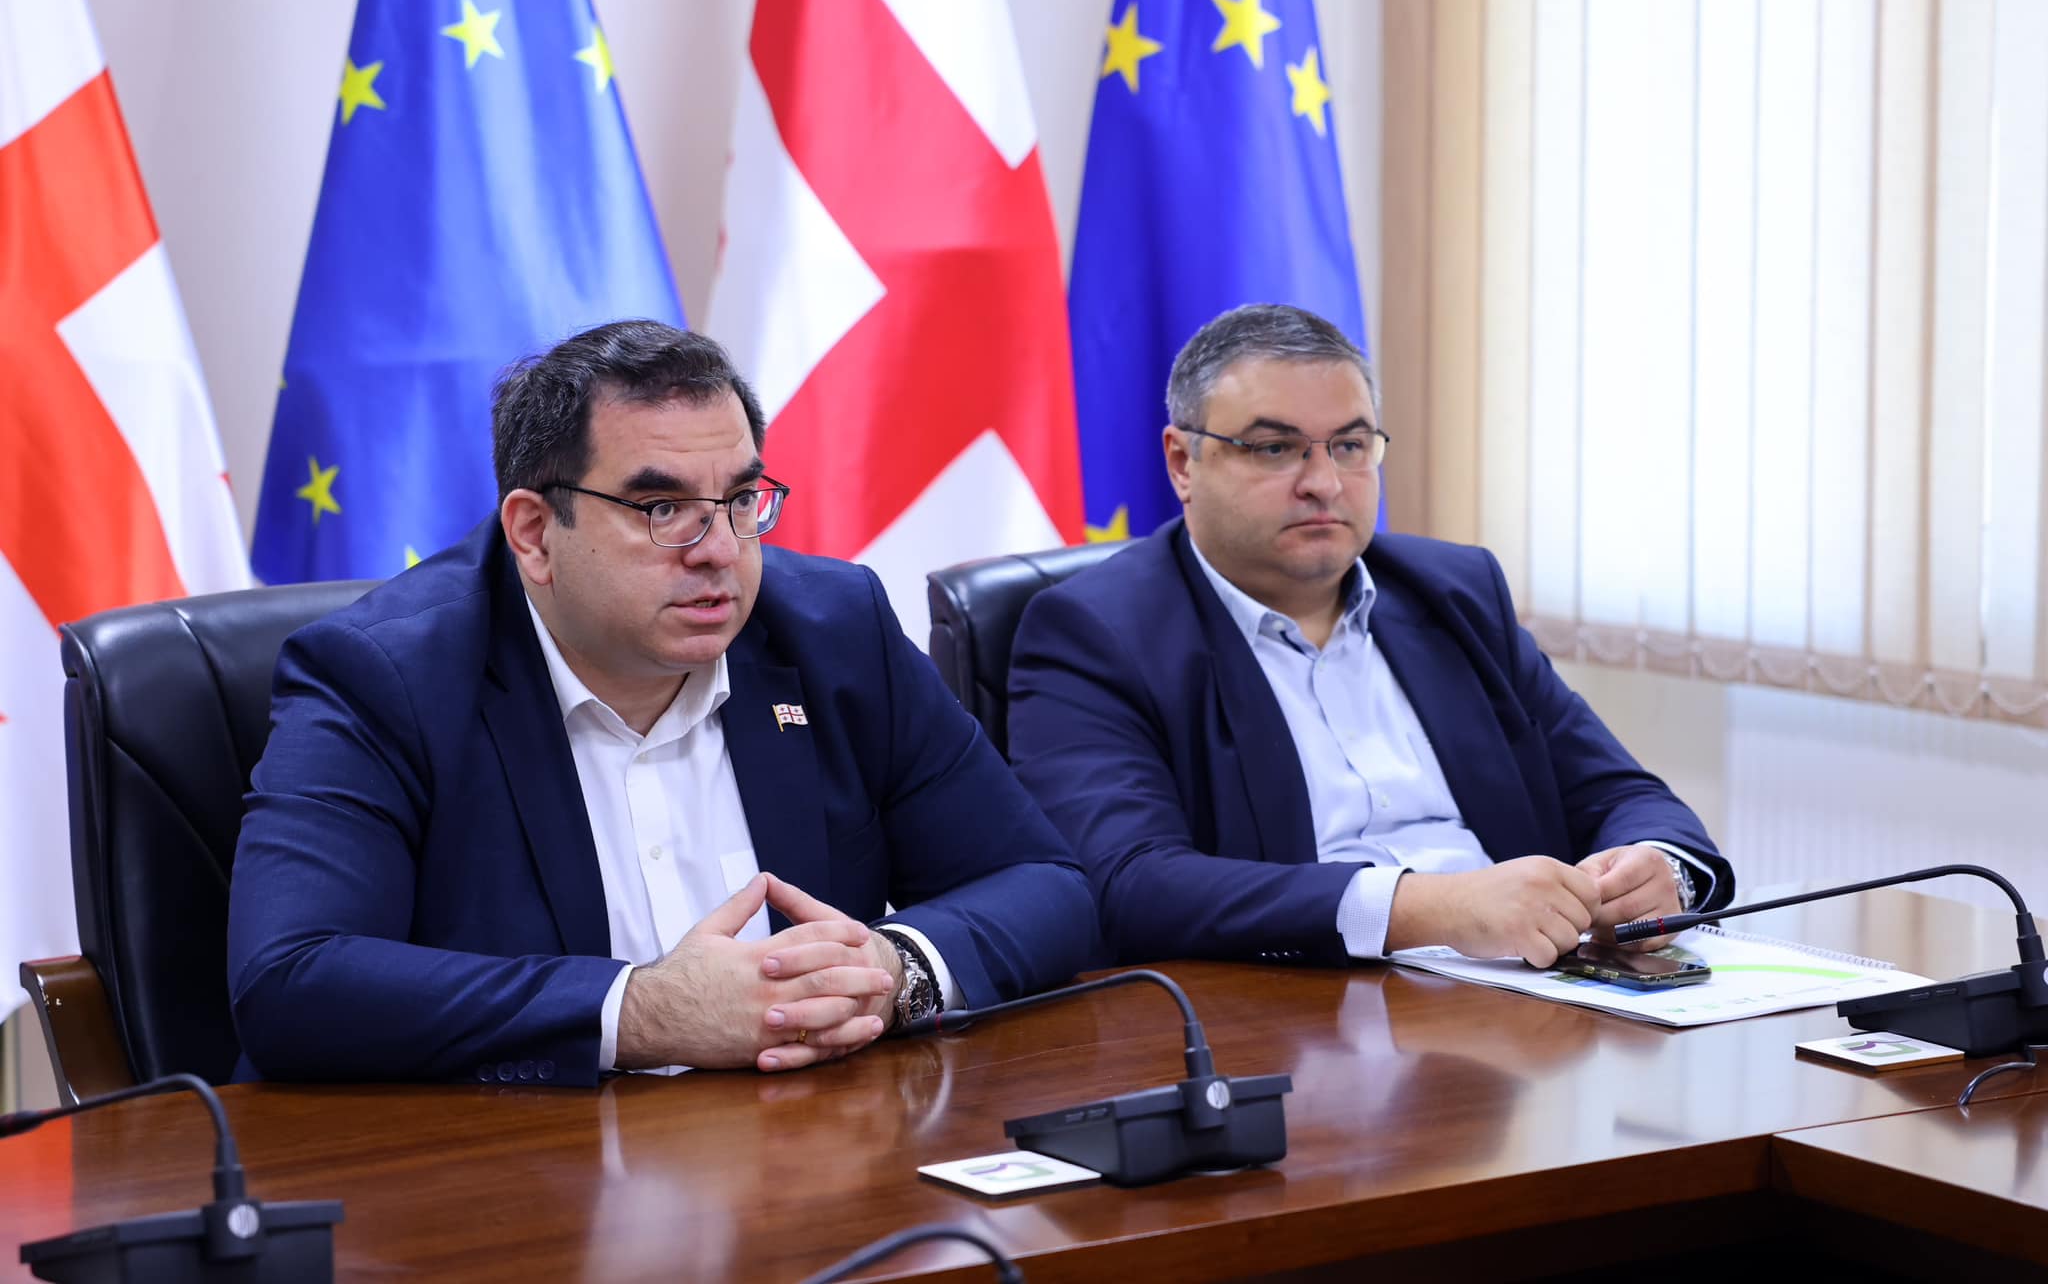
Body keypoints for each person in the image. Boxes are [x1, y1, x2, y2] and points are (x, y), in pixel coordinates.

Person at [228, 320, 1096, 1086]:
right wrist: (643, 1013)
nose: (718, 549)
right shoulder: (384, 676)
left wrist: (888, 971)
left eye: (741, 500)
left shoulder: (834, 631)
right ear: (534, 532)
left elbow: (1044, 885)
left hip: (809, 1149)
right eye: (662, 507)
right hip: (513, 1175)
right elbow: (293, 979)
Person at [1007, 304, 1731, 970]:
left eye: (1350, 445)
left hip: (1531, 998)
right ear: (1182, 463)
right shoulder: (1094, 633)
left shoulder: (1455, 593)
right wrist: (1426, 909)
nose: (1324, 482)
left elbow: (1618, 791)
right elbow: (1127, 881)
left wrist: (1658, 869)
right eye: (1275, 448)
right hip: (1304, 1013)